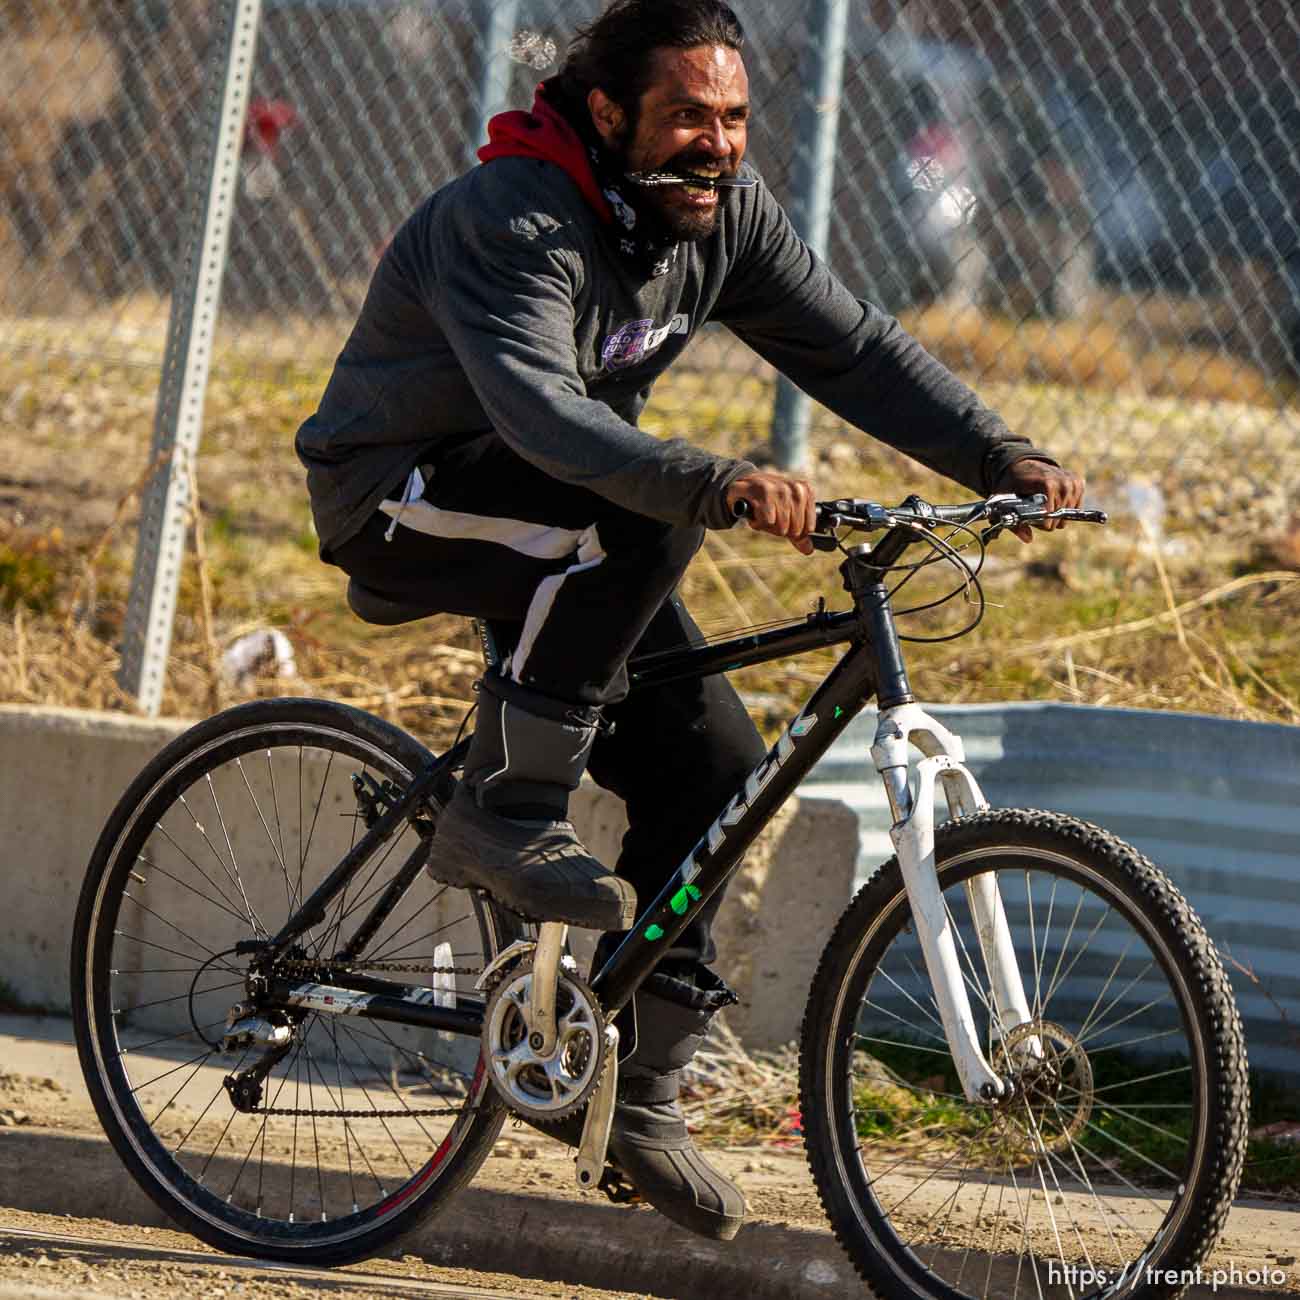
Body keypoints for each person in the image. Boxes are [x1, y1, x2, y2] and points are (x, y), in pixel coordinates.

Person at [295, 0, 1084, 1242]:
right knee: (648, 521)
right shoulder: (513, 217)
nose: (715, 145)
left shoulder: (719, 216)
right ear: (606, 115)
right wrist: (707, 480)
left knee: (714, 765)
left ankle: (639, 1090)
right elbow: (544, 418)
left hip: (562, 517)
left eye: (733, 118)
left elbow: (855, 352)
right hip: (405, 494)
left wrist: (1000, 453)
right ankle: (500, 812)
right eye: (685, 118)